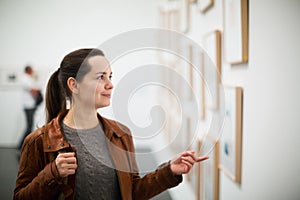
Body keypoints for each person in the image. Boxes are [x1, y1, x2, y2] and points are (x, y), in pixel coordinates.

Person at [14, 48, 208, 200]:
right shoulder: (38, 141)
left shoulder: (121, 134)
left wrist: (169, 171)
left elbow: (131, 191)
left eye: (110, 76)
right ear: (74, 85)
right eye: (100, 77)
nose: (110, 84)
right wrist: (52, 173)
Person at [18, 65, 40, 150]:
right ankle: (21, 145)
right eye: (32, 70)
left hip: (31, 105)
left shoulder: (28, 78)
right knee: (29, 126)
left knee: (30, 126)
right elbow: (33, 90)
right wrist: (38, 91)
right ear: (29, 70)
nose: (33, 71)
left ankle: (23, 145)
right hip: (28, 106)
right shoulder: (25, 79)